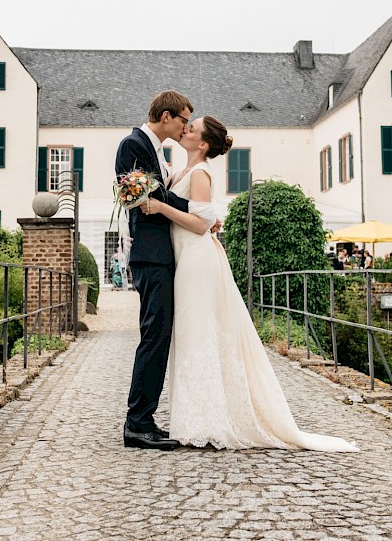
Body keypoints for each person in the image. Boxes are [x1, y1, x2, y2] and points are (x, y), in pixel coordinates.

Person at [142, 115, 357, 452]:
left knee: (199, 336)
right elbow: (204, 216)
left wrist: (159, 207)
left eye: (193, 128)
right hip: (187, 259)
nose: (186, 129)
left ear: (202, 144)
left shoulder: (199, 172)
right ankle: (195, 418)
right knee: (192, 337)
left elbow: (199, 224)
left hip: (197, 262)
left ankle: (207, 422)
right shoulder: (183, 170)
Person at [115, 89, 194, 451]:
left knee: (159, 336)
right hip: (150, 254)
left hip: (161, 253)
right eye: (183, 120)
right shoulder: (133, 145)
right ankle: (137, 423)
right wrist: (197, 209)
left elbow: (159, 195)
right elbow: (150, 199)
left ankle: (145, 418)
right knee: (153, 336)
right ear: (166, 116)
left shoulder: (156, 152)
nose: (185, 128)